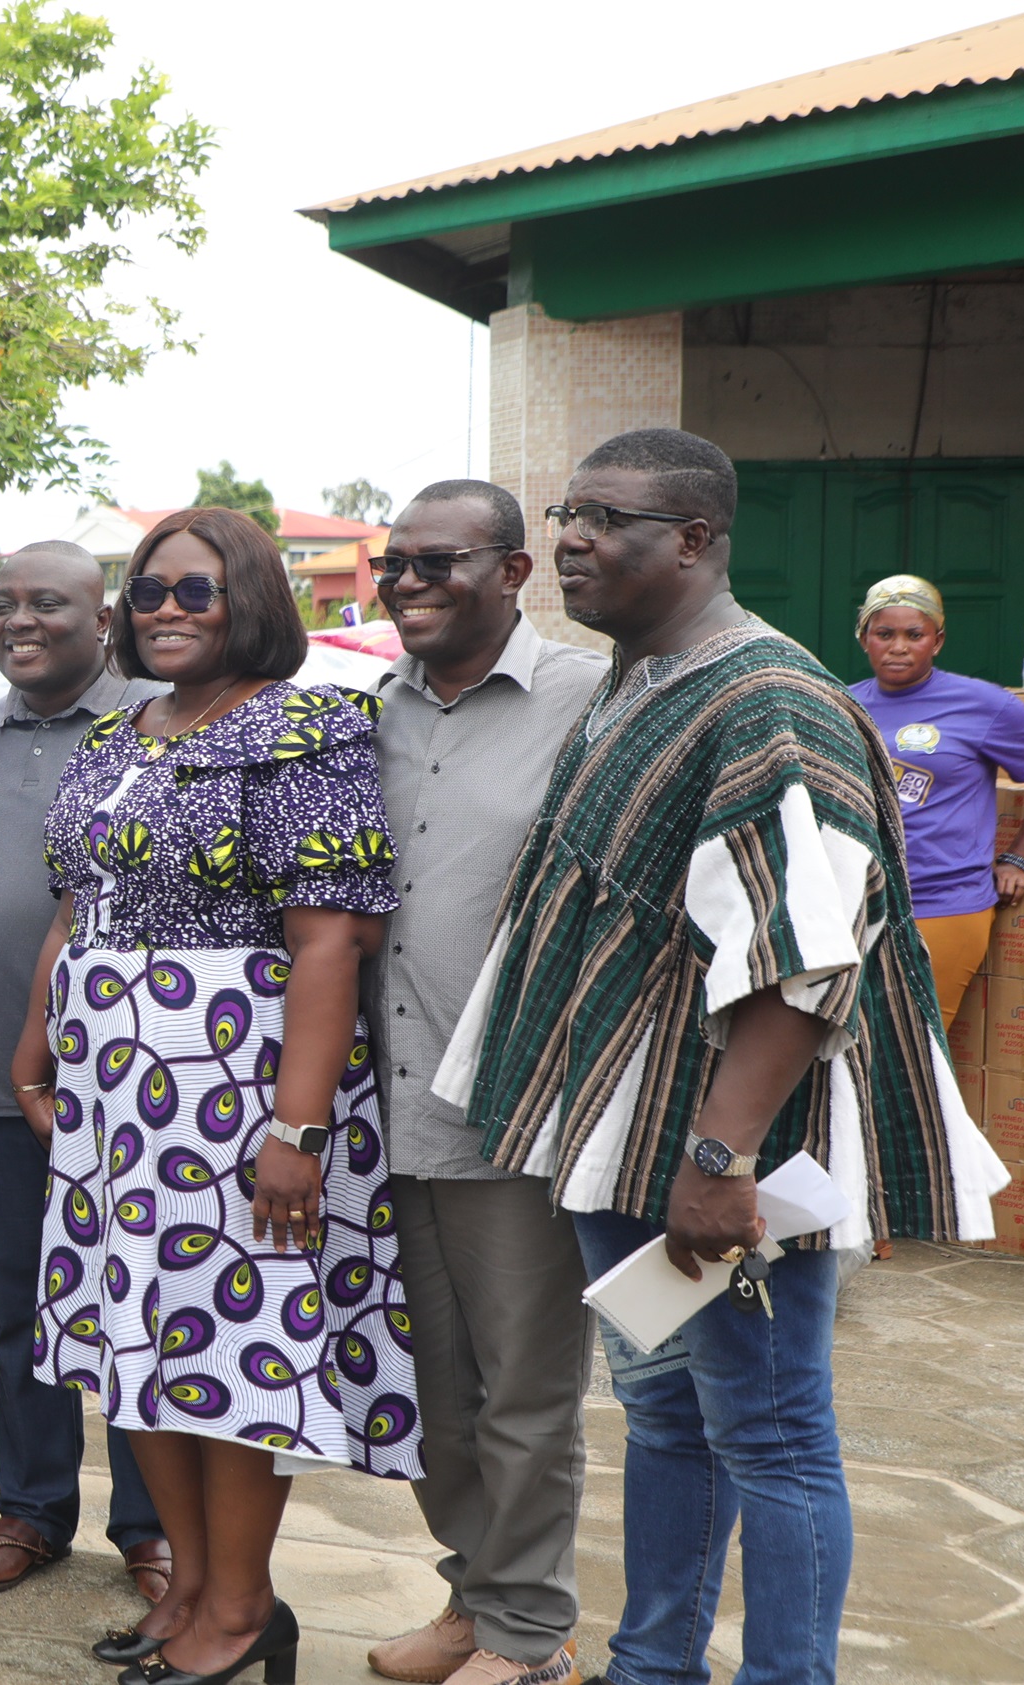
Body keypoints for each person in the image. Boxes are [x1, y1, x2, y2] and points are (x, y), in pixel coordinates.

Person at [439, 429, 1011, 1685]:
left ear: (694, 539)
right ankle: (655, 1665)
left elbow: (806, 957)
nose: (573, 538)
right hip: (628, 1132)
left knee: (773, 1429)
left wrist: (720, 1155)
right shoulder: (642, 677)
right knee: (666, 1412)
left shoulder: (768, 699)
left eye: (608, 518)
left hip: (727, 1149)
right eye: (568, 511)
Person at [13, 505, 420, 1685]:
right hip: (113, 1098)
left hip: (234, 1090)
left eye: (197, 590)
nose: (169, 610)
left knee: (230, 1344)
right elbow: (75, 907)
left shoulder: (305, 728)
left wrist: (297, 1126)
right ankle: (188, 1587)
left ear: (251, 600)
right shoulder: (117, 732)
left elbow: (331, 939)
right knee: (135, 1333)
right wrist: (37, 1045)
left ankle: (241, 1607)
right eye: (148, 591)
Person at [361, 482, 607, 1685]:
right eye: (391, 563)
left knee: (525, 1389)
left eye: (435, 561)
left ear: (513, 570)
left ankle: (530, 1633)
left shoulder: (591, 700)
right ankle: (475, 1595)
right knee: (424, 1384)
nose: (406, 582)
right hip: (384, 1104)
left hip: (516, 1110)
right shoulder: (372, 711)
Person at [0, 540, 171, 1603]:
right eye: (4, 603)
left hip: (133, 1083)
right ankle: (33, 1507)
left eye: (48, 603)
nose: (19, 620)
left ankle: (151, 1524)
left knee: (139, 1301)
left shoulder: (152, 726)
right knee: (24, 1306)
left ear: (104, 618)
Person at [846, 573, 1024, 1023]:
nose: (898, 647)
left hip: (942, 904)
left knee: (914, 1044)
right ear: (864, 638)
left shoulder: (984, 705)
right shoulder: (843, 704)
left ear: (938, 641)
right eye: (884, 634)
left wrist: (1020, 859)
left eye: (914, 635)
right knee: (848, 1044)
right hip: (855, 904)